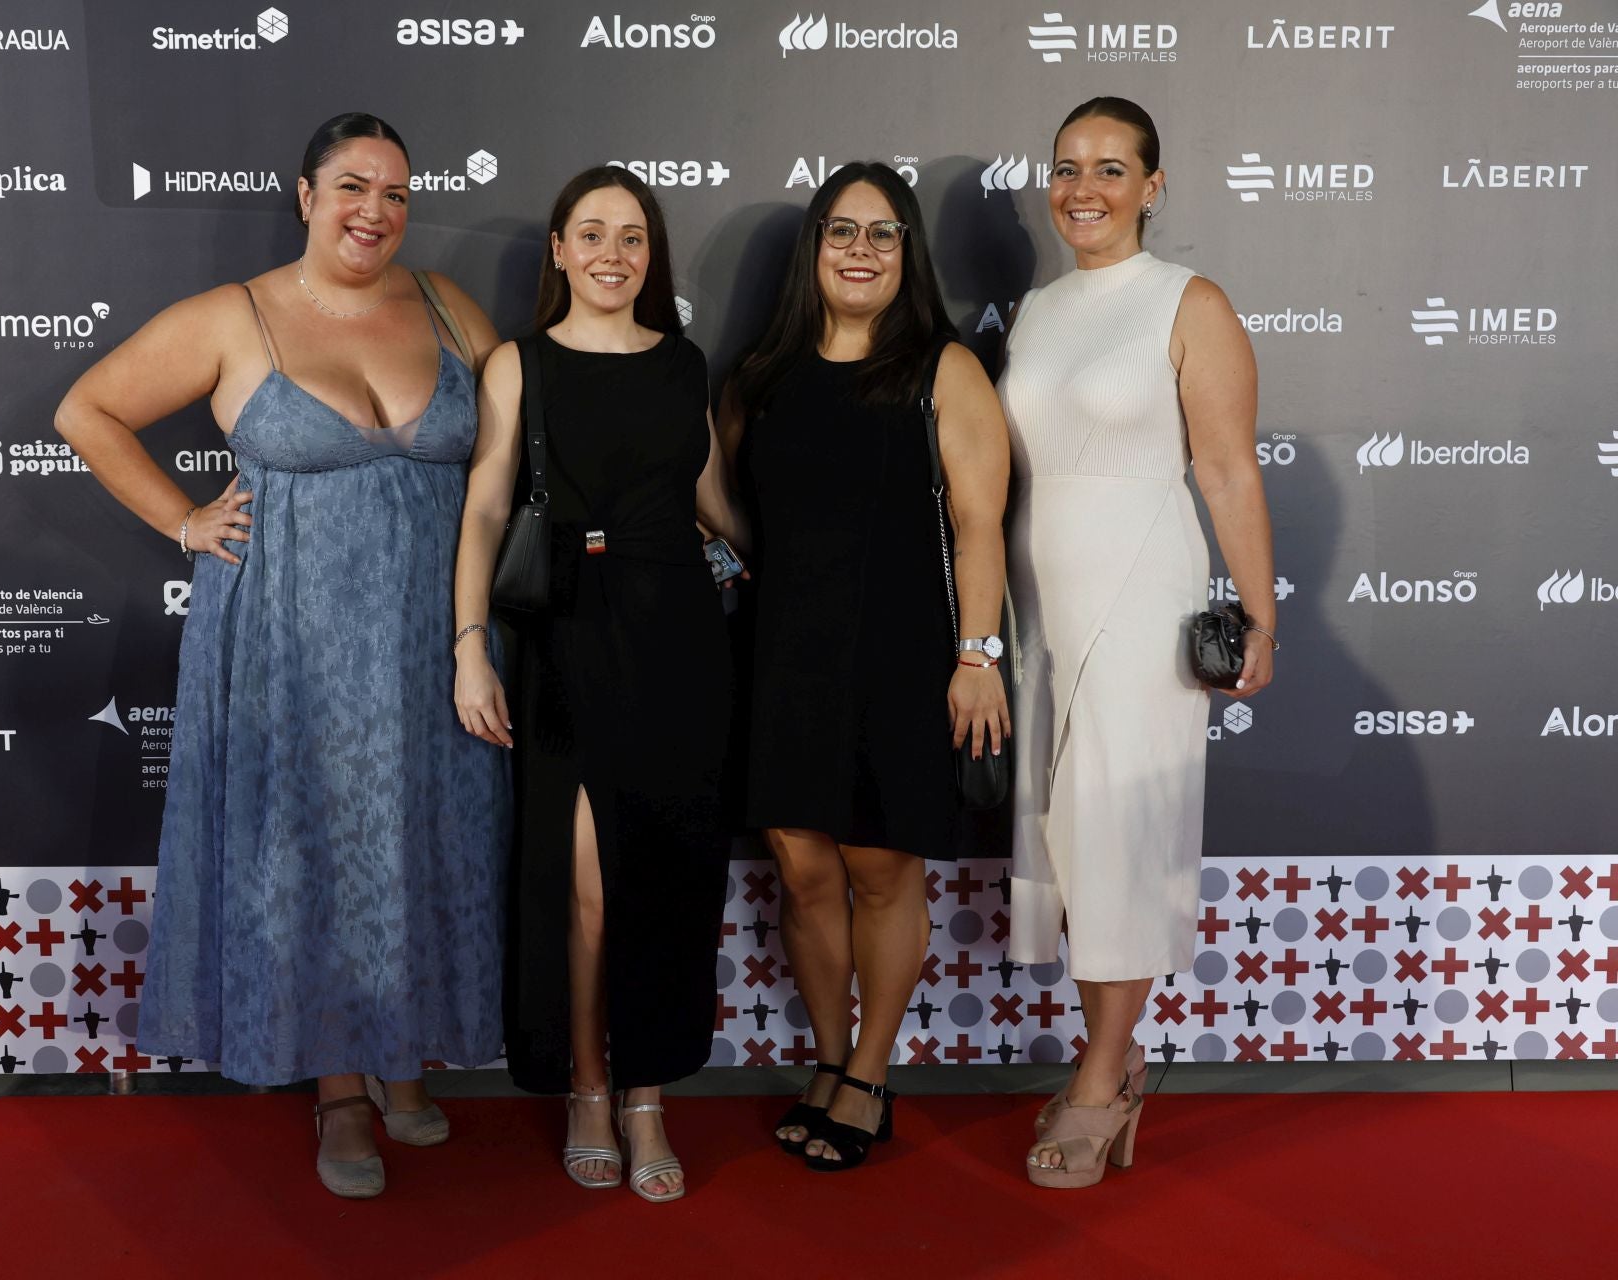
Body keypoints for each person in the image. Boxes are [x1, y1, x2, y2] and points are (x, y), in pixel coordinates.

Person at [53, 113, 509, 1200]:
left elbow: (533, 438)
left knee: (421, 836)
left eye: (396, 192)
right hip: (287, 638)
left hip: (434, 637)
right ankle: (340, 1084)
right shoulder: (237, 314)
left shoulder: (447, 303)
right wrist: (184, 521)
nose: (376, 211)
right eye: (353, 186)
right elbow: (88, 409)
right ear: (305, 195)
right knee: (313, 845)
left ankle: (405, 1054)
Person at [1000, 97, 1277, 1188]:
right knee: (1070, 843)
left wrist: (1260, 613)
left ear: (1154, 187)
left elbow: (1227, 469)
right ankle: (1115, 1055)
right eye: (1067, 166)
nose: (1084, 188)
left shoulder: (1188, 302)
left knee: (1120, 837)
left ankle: (1101, 1081)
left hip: (1140, 587)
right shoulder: (1034, 308)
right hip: (1040, 600)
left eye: (1112, 169)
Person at [453, 165, 744, 1203]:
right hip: (563, 637)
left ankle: (647, 1093)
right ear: (561, 251)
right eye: (593, 234)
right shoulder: (518, 365)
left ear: (648, 255)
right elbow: (486, 508)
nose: (614, 254)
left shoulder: (683, 364)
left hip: (678, 642)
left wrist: (801, 585)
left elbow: (711, 497)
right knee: (584, 889)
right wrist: (468, 642)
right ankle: (585, 1084)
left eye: (633, 236)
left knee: (666, 876)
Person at [721, 162, 1012, 1171]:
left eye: (882, 234)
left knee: (881, 867)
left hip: (900, 653)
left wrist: (978, 655)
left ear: (907, 253)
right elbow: (725, 501)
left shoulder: (944, 369)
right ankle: (831, 1060)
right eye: (841, 230)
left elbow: (980, 527)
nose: (859, 250)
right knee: (802, 868)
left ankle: (872, 1072)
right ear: (814, 247)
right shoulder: (763, 373)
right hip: (783, 650)